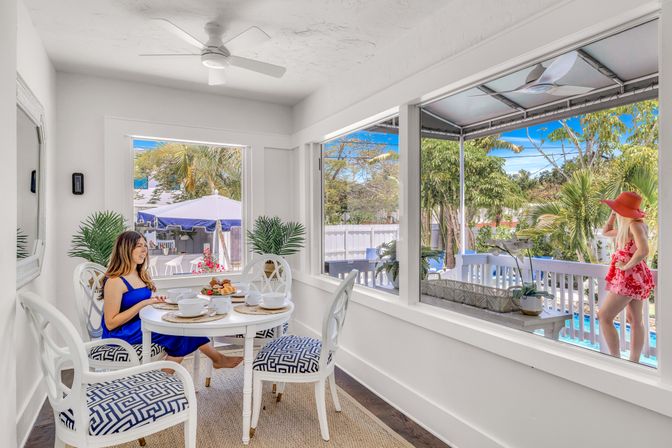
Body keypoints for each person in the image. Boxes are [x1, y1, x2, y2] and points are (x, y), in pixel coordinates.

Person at [102, 230, 242, 368]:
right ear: (125, 249)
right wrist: (144, 303)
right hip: (121, 334)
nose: (144, 250)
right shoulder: (115, 281)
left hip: (140, 325)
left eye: (145, 246)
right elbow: (111, 323)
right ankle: (215, 360)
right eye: (139, 246)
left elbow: (137, 301)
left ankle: (164, 380)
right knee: (179, 332)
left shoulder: (140, 275)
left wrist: (155, 300)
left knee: (183, 327)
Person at [598, 192, 654, 363]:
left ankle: (615, 359)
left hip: (629, 276)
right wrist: (613, 214)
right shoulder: (631, 226)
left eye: (617, 209)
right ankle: (633, 362)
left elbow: (643, 250)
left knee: (604, 316)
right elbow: (605, 231)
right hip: (635, 275)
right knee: (635, 319)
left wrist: (626, 266)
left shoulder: (634, 226)